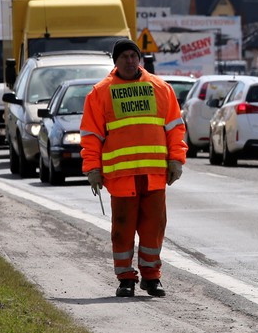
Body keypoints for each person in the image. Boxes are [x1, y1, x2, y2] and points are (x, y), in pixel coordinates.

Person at [80, 38, 187, 298]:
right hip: (121, 177)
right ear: (115, 62)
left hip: (153, 176)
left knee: (154, 227)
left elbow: (175, 128)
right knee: (123, 229)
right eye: (124, 56)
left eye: (133, 56)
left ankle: (151, 277)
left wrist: (176, 159)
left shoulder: (161, 88)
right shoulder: (100, 93)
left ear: (139, 59)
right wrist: (93, 168)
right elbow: (91, 135)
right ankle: (125, 278)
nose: (129, 60)